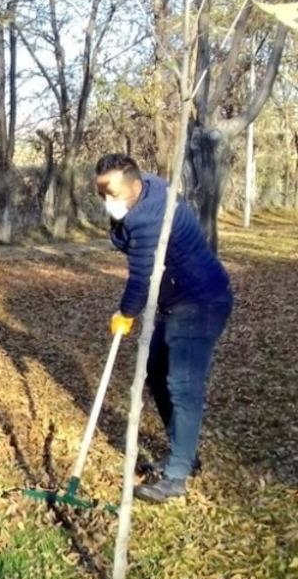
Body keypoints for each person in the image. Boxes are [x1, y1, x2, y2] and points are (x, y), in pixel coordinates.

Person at [96, 153, 233, 503]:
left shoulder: (148, 219)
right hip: (175, 300)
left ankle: (176, 476)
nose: (107, 203)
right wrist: (118, 220)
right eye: (102, 194)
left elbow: (140, 279)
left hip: (200, 301)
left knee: (182, 385)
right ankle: (184, 453)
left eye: (112, 195)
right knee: (156, 370)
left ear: (135, 186)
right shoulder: (152, 186)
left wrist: (126, 313)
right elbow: (122, 240)